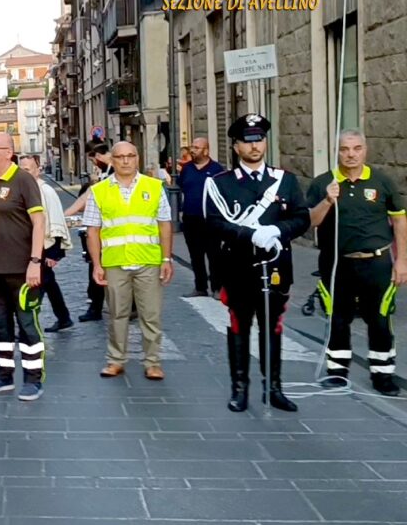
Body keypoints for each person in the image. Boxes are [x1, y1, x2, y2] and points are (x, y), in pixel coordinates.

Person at [204, 114, 310, 413]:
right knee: (239, 326)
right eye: (248, 141)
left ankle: (274, 387)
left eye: (259, 139)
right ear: (236, 146)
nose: (255, 146)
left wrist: (278, 230)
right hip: (238, 265)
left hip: (276, 266)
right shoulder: (220, 183)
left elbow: (301, 218)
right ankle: (240, 388)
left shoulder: (284, 180)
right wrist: (251, 235)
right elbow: (214, 223)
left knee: (272, 327)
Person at [308, 129, 407, 396]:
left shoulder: (382, 181)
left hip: (376, 263)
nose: (350, 154)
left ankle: (383, 374)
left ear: (365, 149)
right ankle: (337, 372)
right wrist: (328, 200)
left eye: (356, 148)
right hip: (336, 263)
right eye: (344, 149)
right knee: (337, 319)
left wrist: (402, 262)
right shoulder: (323, 183)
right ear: (337, 151)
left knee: (379, 319)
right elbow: (311, 222)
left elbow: (399, 220)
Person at [85, 142, 173, 381]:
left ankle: (153, 362)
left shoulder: (154, 187)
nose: (125, 161)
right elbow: (92, 230)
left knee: (151, 314)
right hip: (115, 262)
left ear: (138, 158)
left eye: (130, 156)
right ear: (112, 160)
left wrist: (166, 258)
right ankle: (115, 360)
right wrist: (97, 264)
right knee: (116, 314)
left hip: (148, 260)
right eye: (120, 157)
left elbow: (165, 224)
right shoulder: (99, 190)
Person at [0, 132, 47, 401]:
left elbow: (39, 223)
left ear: (8, 152)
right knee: (0, 325)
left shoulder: (23, 180)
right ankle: (3, 375)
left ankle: (33, 379)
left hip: (22, 268)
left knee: (27, 324)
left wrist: (35, 262)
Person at [20, 154, 73, 332]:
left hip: (45, 246)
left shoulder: (46, 191)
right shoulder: (23, 189)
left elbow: (56, 220)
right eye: (21, 170)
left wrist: (54, 253)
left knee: (38, 284)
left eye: (27, 170)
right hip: (28, 245)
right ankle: (64, 317)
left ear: (37, 170)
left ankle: (28, 327)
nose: (24, 173)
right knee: (49, 283)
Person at [64, 141, 113, 322]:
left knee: (98, 267)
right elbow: (90, 195)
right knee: (98, 267)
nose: (94, 165)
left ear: (99, 157)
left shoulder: (113, 174)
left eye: (94, 161)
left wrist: (65, 215)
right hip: (104, 231)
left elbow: (89, 196)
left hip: (109, 233)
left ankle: (98, 308)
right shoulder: (107, 172)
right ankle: (97, 306)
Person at [177, 137, 225, 299]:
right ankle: (200, 287)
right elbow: (182, 187)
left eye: (197, 148)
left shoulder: (217, 170)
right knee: (195, 255)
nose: (192, 150)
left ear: (206, 151)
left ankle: (217, 288)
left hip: (211, 219)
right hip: (191, 219)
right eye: (192, 147)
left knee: (214, 255)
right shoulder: (187, 169)